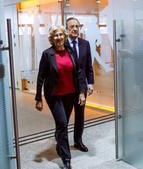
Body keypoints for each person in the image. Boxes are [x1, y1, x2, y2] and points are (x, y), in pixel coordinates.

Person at [35, 26, 87, 169]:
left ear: (64, 37)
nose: (59, 37)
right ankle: (66, 159)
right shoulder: (47, 54)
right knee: (63, 124)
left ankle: (60, 145)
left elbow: (79, 72)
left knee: (61, 125)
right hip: (55, 96)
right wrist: (38, 98)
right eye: (56, 35)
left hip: (70, 94)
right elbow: (41, 76)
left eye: (61, 35)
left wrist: (82, 91)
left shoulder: (70, 51)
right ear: (52, 38)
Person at [65, 17, 94, 152]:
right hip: (66, 88)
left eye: (77, 26)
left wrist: (90, 83)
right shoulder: (62, 44)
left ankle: (78, 141)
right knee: (64, 117)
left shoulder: (85, 43)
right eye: (72, 26)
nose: (75, 29)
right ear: (67, 29)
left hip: (81, 87)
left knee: (80, 115)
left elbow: (88, 66)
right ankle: (62, 141)